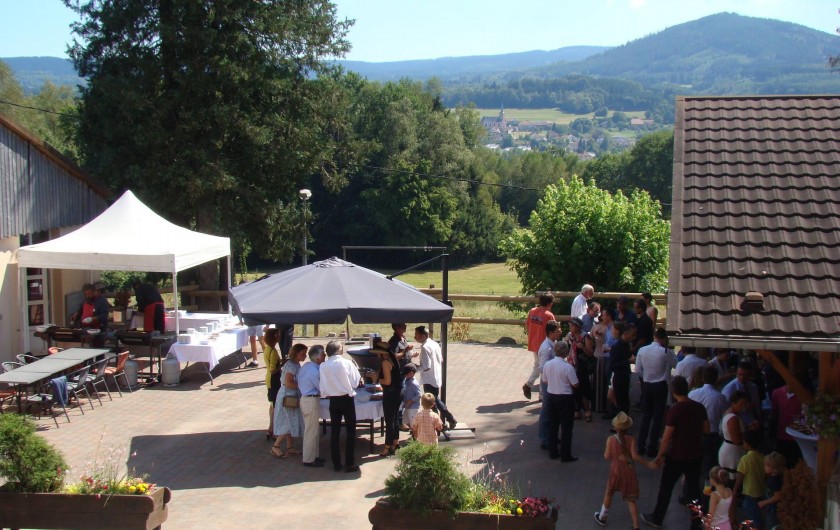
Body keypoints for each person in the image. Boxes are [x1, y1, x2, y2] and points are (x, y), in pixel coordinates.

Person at [642, 376, 709, 530]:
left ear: (673, 392)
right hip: (695, 454)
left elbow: (667, 437)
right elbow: (707, 429)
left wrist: (659, 455)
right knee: (694, 491)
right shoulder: (699, 408)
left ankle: (657, 517)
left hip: (676, 455)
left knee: (666, 488)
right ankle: (696, 522)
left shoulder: (675, 410)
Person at [593, 412, 651, 530]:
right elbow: (634, 456)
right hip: (628, 471)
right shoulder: (631, 439)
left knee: (609, 492)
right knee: (630, 499)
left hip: (615, 471)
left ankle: (603, 517)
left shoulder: (610, 439)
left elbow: (606, 456)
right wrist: (649, 464)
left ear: (615, 427)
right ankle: (636, 526)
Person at [319, 340, 362, 473]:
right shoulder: (346, 363)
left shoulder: (323, 366)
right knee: (350, 431)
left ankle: (336, 463)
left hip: (333, 400)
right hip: (346, 398)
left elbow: (323, 386)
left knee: (335, 432)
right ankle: (349, 462)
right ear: (338, 350)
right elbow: (355, 382)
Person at [636, 328, 677, 458]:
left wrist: (645, 377)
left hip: (647, 384)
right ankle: (652, 447)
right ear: (664, 339)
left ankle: (640, 445)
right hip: (660, 385)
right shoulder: (666, 352)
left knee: (646, 415)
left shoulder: (642, 350)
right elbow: (675, 364)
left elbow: (637, 370)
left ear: (654, 336)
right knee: (657, 417)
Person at [688, 366, 729, 479]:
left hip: (694, 432)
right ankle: (707, 486)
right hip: (712, 434)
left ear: (703, 378)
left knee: (692, 463)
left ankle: (690, 484)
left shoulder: (692, 394)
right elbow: (724, 417)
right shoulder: (720, 397)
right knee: (709, 466)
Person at [543, 338, 579, 462]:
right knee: (566, 428)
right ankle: (565, 454)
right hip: (565, 398)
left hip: (551, 396)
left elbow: (545, 380)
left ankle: (553, 452)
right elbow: (575, 384)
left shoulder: (548, 364)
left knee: (553, 426)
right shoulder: (568, 367)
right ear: (566, 352)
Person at [415, 325, 457, 430]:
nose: (415, 337)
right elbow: (441, 359)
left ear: (423, 336)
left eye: (417, 335)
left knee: (432, 402)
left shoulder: (425, 347)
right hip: (436, 377)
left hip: (429, 379)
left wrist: (415, 368)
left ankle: (444, 421)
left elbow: (426, 366)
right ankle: (443, 422)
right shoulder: (434, 344)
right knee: (435, 400)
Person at [271, 343, 307, 459]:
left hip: (291, 395)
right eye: (303, 354)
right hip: (288, 396)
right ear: (296, 354)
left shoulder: (295, 364)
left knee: (291, 421)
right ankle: (276, 446)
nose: (305, 356)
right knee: (287, 422)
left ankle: (290, 446)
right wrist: (302, 386)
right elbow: (288, 382)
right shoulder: (291, 366)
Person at [298, 344, 326, 468]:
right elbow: (321, 387)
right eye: (323, 354)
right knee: (311, 431)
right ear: (317, 357)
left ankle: (314, 455)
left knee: (313, 430)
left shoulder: (307, 366)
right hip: (311, 400)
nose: (325, 356)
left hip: (307, 399)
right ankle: (309, 459)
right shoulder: (314, 371)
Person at [524, 293, 555, 400]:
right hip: (544, 346)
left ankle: (528, 385)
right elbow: (553, 329)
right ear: (549, 303)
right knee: (543, 369)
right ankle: (542, 394)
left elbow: (527, 325)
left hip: (534, 343)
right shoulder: (549, 315)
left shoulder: (532, 311)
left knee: (538, 366)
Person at [375, 343, 403, 457]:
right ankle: (395, 442)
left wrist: (376, 378)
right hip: (397, 392)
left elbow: (387, 381)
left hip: (390, 394)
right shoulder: (393, 360)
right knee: (395, 418)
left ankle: (387, 446)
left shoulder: (385, 363)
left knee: (389, 420)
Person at [733, 430, 765, 529]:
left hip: (750, 493)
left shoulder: (745, 459)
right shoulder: (762, 457)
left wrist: (735, 489)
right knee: (758, 515)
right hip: (761, 491)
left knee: (753, 517)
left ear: (746, 443)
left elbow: (740, 476)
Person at [538, 321, 563, 448]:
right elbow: (542, 368)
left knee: (552, 410)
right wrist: (548, 381)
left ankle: (551, 436)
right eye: (558, 331)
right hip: (547, 382)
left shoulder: (553, 343)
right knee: (546, 410)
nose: (560, 332)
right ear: (551, 333)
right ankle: (544, 439)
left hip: (552, 381)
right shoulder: (546, 348)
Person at [263, 328, 289, 441]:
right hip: (274, 380)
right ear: (274, 336)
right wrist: (283, 364)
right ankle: (273, 430)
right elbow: (273, 369)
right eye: (278, 335)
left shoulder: (268, 348)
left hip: (269, 379)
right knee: (275, 405)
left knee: (272, 404)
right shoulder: (273, 352)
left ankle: (270, 428)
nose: (280, 336)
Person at [566, 316, 594, 421]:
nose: (570, 327)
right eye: (570, 325)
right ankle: (576, 410)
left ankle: (587, 410)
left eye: (572, 326)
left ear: (578, 327)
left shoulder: (585, 337)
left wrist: (583, 348)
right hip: (571, 364)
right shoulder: (569, 336)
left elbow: (591, 354)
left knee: (583, 387)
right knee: (572, 387)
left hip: (582, 365)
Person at [770, 382, 804, 467]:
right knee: (782, 459)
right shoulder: (777, 393)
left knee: (796, 460)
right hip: (782, 432)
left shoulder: (802, 394)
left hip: (796, 434)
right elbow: (774, 412)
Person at [721, 361, 762, 431]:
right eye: (740, 374)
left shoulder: (753, 387)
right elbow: (725, 410)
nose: (742, 377)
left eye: (745, 375)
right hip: (739, 426)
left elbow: (757, 405)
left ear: (750, 375)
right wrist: (744, 407)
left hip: (754, 423)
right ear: (736, 373)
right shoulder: (729, 389)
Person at [718, 391, 749, 479]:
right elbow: (737, 440)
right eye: (741, 404)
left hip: (731, 450)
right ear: (733, 403)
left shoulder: (730, 413)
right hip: (733, 453)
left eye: (745, 404)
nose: (744, 406)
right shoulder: (733, 418)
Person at [609, 322, 635, 416]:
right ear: (626, 334)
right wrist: (628, 361)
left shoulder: (628, 345)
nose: (633, 337)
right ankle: (620, 420)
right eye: (632, 335)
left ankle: (624, 419)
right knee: (621, 400)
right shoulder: (616, 347)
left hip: (625, 375)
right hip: (619, 376)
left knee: (625, 400)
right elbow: (613, 365)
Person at [758, 452, 785, 528]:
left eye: (767, 465)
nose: (764, 467)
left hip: (774, 509)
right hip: (772, 508)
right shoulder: (773, 478)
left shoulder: (775, 481)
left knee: (772, 524)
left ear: (774, 468)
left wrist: (764, 503)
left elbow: (778, 496)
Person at [401, 363, 421, 431]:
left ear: (411, 373)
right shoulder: (407, 381)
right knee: (406, 421)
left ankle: (416, 434)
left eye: (406, 374)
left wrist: (411, 401)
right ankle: (413, 432)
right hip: (407, 407)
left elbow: (419, 394)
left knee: (413, 424)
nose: (405, 376)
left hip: (413, 408)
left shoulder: (413, 383)